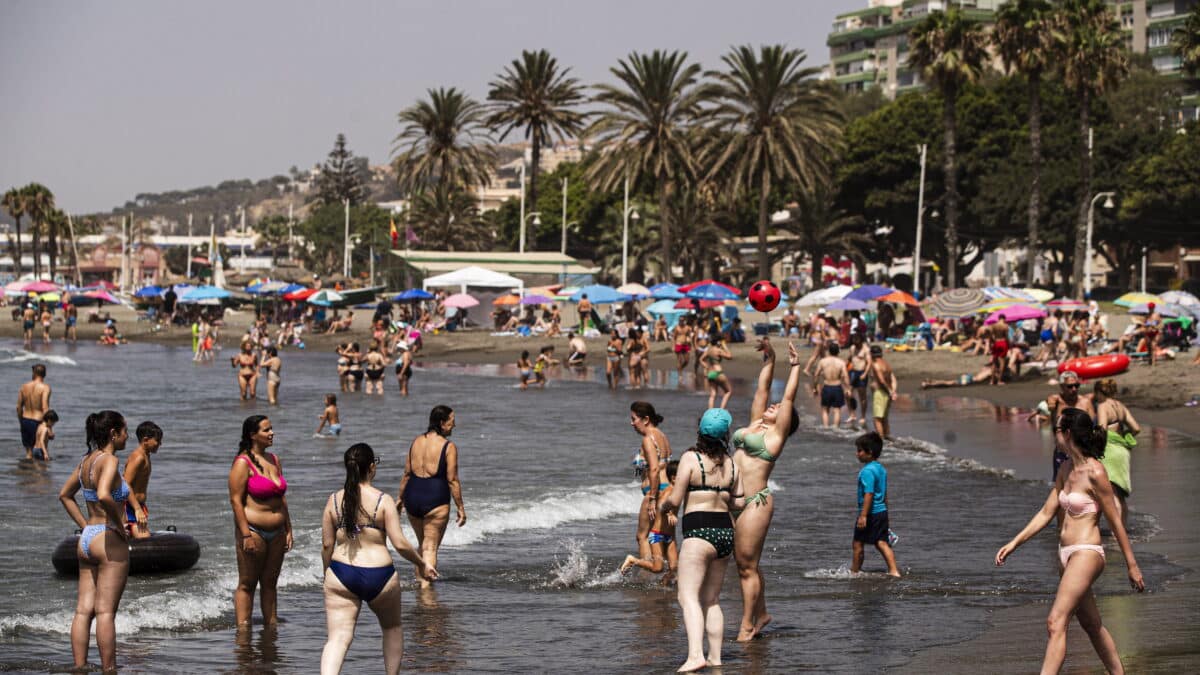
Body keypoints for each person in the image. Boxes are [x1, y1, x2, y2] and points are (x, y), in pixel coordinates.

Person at [995, 408, 1145, 673]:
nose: (1054, 434)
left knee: (1055, 622)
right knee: (1091, 625)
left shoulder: (1095, 472)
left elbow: (1115, 521)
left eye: (1056, 429)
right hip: (1065, 554)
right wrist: (1014, 543)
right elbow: (1046, 512)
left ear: (1067, 433)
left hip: (1087, 553)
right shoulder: (1065, 468)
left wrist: (1131, 565)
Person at [320, 443, 437, 675]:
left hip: (341, 573)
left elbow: (326, 545)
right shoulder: (383, 500)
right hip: (380, 576)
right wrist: (422, 563)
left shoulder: (333, 500)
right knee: (392, 628)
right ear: (371, 468)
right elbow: (400, 544)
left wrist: (327, 574)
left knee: (338, 639)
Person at [659, 408, 745, 673]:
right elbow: (740, 502)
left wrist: (664, 506)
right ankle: (716, 658)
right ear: (725, 434)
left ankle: (696, 655)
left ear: (700, 432)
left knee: (687, 597)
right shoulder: (732, 463)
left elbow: (675, 498)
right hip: (724, 532)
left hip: (698, 531)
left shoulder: (690, 458)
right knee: (712, 599)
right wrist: (721, 495)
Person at [57, 411, 141, 673]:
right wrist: (118, 523)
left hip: (87, 539)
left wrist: (85, 527)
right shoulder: (111, 460)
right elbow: (105, 495)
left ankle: (80, 667)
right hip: (107, 539)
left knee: (83, 611)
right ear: (113, 433)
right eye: (125, 430)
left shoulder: (86, 461)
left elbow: (65, 495)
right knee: (105, 613)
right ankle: (109, 670)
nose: (128, 435)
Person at [731, 337, 802, 641]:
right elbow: (763, 388)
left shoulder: (775, 436)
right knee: (746, 564)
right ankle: (761, 613)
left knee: (747, 566)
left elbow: (787, 398)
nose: (771, 405)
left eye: (777, 409)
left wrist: (795, 366)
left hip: (755, 502)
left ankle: (748, 625)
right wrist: (770, 358)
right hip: (733, 502)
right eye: (769, 406)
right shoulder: (755, 425)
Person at [228, 415, 293, 628]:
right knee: (247, 584)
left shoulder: (274, 459)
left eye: (271, 428)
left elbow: (282, 500)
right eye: (266, 430)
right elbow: (236, 502)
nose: (272, 433)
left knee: (270, 583)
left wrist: (289, 528)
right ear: (253, 435)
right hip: (254, 531)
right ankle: (243, 631)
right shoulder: (242, 463)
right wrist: (246, 534)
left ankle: (270, 629)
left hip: (278, 532)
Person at [398, 406, 466, 588]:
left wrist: (399, 499)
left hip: (412, 497)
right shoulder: (448, 446)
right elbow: (452, 479)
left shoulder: (416, 441)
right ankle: (427, 594)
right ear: (442, 423)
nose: (455, 425)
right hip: (435, 498)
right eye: (452, 420)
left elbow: (406, 473)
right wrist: (460, 507)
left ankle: (421, 584)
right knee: (430, 547)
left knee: (422, 545)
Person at [850, 432, 900, 577]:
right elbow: (884, 494)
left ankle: (854, 572)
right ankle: (894, 570)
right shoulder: (880, 468)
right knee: (881, 542)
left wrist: (863, 515)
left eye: (859, 450)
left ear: (869, 452)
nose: (857, 454)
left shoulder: (867, 471)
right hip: (881, 512)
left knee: (858, 544)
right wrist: (886, 514)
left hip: (870, 513)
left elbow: (869, 493)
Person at [621, 460, 680, 581]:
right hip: (657, 536)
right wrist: (670, 513)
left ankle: (662, 587)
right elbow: (662, 505)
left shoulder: (678, 491)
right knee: (658, 568)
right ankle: (633, 560)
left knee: (674, 568)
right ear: (674, 478)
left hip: (670, 536)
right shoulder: (669, 491)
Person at [1093, 378, 1141, 528]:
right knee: (1119, 495)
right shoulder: (1121, 406)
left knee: (1112, 494)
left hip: (1110, 450)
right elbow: (1136, 428)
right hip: (1122, 450)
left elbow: (1101, 430)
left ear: (1100, 392)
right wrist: (1124, 435)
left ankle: (1116, 532)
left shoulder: (1102, 406)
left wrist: (1091, 446)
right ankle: (1122, 529)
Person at [630, 401, 672, 567]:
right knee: (662, 536)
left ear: (646, 419)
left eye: (634, 419)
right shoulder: (662, 436)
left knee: (642, 536)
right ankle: (669, 572)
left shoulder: (648, 439)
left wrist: (652, 498)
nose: (632, 423)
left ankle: (648, 575)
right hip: (667, 489)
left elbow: (654, 470)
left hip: (655, 491)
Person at [1045, 370, 1096, 481]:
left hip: (1082, 451)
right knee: (1060, 484)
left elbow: (1093, 427)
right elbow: (1050, 402)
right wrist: (1051, 404)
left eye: (1076, 385)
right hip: (1062, 450)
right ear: (1062, 386)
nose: (1074, 389)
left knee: (1083, 482)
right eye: (1070, 386)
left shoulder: (1085, 402)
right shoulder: (1057, 400)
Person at [122, 421, 162, 538]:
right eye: (157, 441)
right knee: (145, 541)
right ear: (145, 440)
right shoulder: (138, 457)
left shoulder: (146, 455)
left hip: (137, 505)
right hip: (130, 506)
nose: (160, 444)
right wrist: (137, 509)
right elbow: (125, 483)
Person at [17, 363, 52, 460]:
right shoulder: (45, 388)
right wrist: (49, 428)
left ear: (34, 373)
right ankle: (38, 474)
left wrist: (21, 421)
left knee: (29, 454)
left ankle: (27, 473)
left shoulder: (24, 386)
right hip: (38, 421)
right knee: (40, 451)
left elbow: (18, 407)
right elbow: (45, 407)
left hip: (25, 420)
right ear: (44, 374)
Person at [812, 343, 850, 428]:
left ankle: (825, 427)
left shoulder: (823, 361)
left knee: (825, 409)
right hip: (837, 387)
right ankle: (836, 428)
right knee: (837, 410)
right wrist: (848, 388)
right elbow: (846, 376)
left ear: (829, 351)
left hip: (827, 387)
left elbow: (816, 375)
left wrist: (815, 388)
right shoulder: (841, 362)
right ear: (838, 352)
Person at [868, 345, 898, 440]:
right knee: (884, 418)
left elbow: (881, 380)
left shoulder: (875, 364)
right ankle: (887, 437)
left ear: (871, 354)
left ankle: (881, 440)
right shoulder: (887, 364)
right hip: (887, 393)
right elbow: (893, 379)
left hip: (880, 393)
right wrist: (893, 391)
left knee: (877, 419)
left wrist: (890, 392)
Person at [700, 338, 734, 409]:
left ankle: (710, 411)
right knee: (728, 391)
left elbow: (701, 359)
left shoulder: (708, 350)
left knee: (713, 394)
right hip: (718, 372)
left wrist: (706, 367)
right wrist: (725, 347)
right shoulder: (718, 350)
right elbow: (730, 356)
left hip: (711, 373)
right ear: (718, 343)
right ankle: (721, 410)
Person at [845, 333, 871, 427]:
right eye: (854, 342)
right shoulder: (852, 348)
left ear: (861, 340)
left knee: (862, 397)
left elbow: (869, 363)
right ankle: (852, 414)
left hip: (861, 373)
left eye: (857, 342)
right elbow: (849, 359)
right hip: (853, 372)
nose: (855, 344)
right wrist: (844, 368)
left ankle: (863, 416)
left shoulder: (865, 349)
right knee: (848, 394)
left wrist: (865, 374)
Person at [989, 314, 1010, 385]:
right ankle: (999, 380)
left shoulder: (993, 326)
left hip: (996, 342)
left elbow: (991, 337)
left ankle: (992, 380)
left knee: (994, 362)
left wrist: (990, 345)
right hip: (1003, 342)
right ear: (1004, 319)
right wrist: (1009, 345)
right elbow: (1007, 337)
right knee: (1002, 362)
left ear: (998, 318)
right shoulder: (1005, 326)